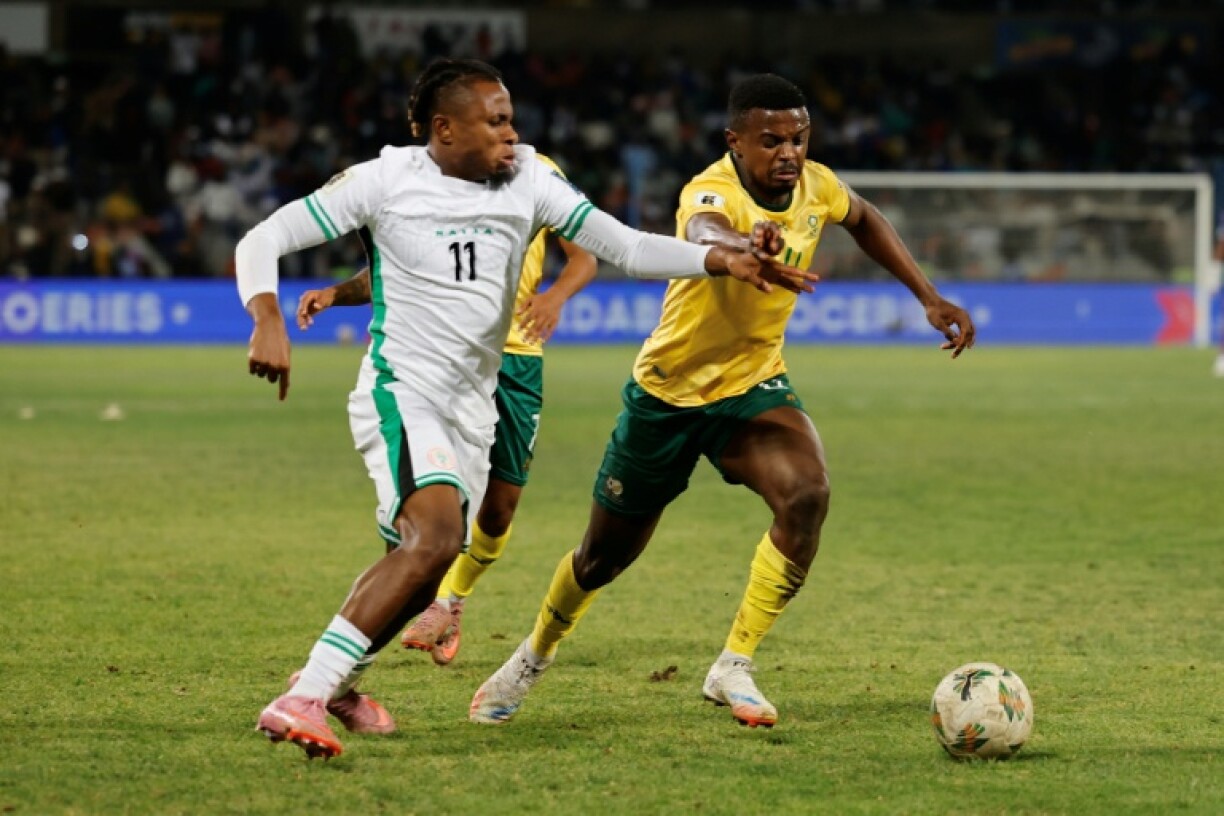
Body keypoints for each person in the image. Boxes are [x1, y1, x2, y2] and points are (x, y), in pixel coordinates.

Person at [238, 58, 816, 759]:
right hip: (405, 391)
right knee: (434, 541)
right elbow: (262, 238)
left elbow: (628, 247)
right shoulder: (383, 180)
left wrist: (724, 260)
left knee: (417, 566)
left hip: (474, 406)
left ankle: (337, 682)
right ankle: (302, 698)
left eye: (511, 119)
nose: (512, 134)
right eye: (496, 121)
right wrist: (266, 316)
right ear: (445, 129)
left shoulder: (530, 180)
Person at [469, 73, 976, 729]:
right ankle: (534, 654)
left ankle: (734, 664)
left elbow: (864, 218)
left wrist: (928, 297)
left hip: (752, 386)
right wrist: (744, 244)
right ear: (735, 141)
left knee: (807, 494)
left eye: (798, 138)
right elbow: (706, 229)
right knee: (601, 559)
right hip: (667, 394)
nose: (789, 153)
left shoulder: (817, 185)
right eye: (771, 141)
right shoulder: (709, 189)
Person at [295, 155, 598, 666]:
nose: (499, 130)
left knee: (498, 509)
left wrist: (555, 297)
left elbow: (584, 257)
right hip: (446, 354)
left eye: (502, 120)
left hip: (517, 359)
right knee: (436, 496)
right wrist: (336, 293)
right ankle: (429, 597)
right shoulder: (429, 176)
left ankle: (452, 600)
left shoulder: (538, 173)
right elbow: (398, 271)